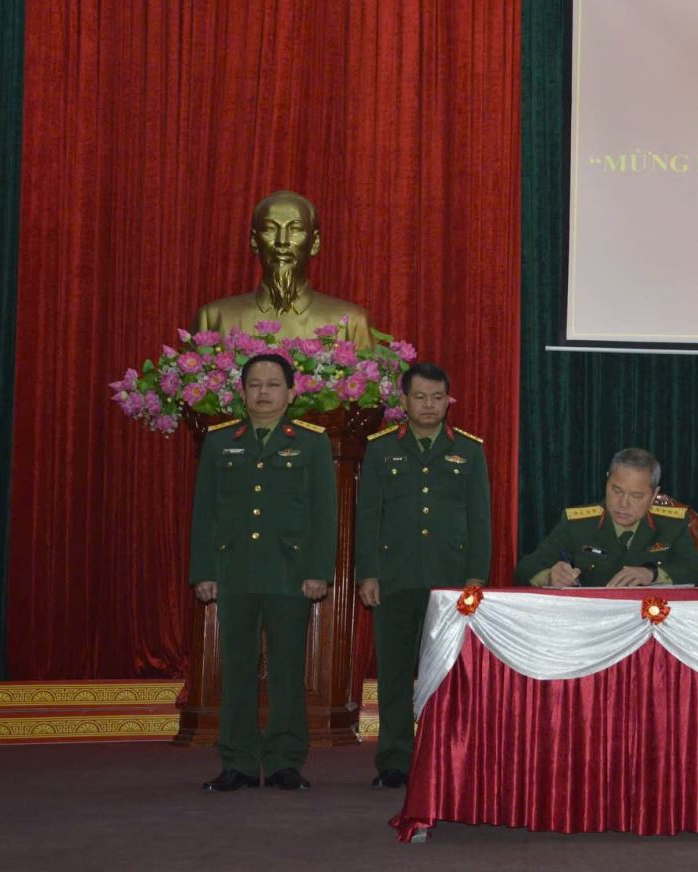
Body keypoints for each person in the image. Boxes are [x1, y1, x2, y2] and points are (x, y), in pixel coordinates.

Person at [190, 353, 336, 792]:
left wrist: (319, 570)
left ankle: (284, 762)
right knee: (236, 669)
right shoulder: (220, 441)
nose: (264, 393)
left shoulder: (311, 442)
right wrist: (204, 571)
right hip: (234, 571)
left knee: (288, 669)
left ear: (291, 393)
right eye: (255, 385)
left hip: (290, 573)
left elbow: (324, 513)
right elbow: (205, 512)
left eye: (273, 385)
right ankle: (237, 761)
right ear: (243, 392)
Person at [355, 363, 491, 789]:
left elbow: (480, 519)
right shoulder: (381, 449)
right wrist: (367, 573)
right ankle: (395, 760)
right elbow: (368, 517)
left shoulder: (469, 450)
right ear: (404, 401)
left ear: (448, 401)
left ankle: (446, 757)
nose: (429, 405)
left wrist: (476, 577)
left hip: (449, 581)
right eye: (420, 397)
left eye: (437, 397)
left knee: (447, 674)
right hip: (394, 578)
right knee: (395, 674)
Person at [194, 189, 374, 345]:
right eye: (270, 229)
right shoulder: (213, 319)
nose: (282, 241)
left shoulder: (352, 323)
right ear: (254, 241)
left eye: (295, 230)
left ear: (314, 243)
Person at [514, 448, 698, 588]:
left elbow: (697, 571)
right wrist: (549, 577)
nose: (623, 503)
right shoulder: (578, 523)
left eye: (636, 496)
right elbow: (524, 569)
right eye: (616, 490)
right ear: (607, 480)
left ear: (654, 495)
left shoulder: (671, 524)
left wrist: (652, 574)